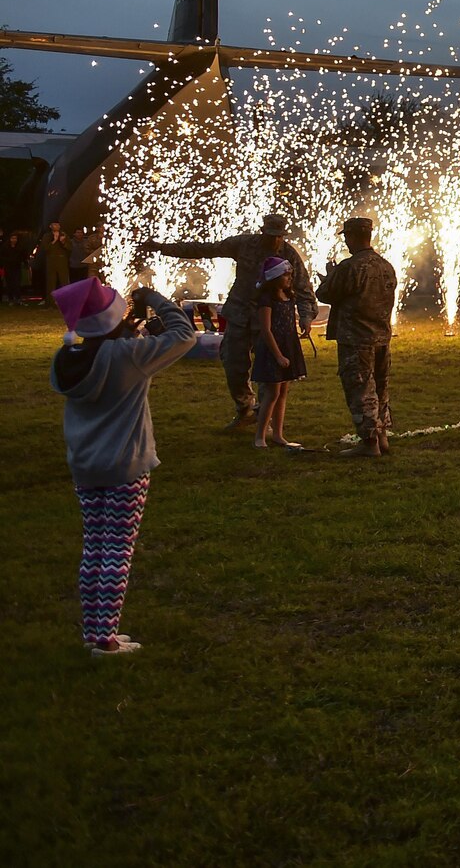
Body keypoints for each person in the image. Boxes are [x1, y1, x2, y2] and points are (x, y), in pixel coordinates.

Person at [50, 276, 197, 656]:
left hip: (85, 466)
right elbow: (184, 335)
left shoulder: (66, 359)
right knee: (117, 551)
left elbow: (104, 349)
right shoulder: (126, 357)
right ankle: (107, 641)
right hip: (125, 468)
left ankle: (94, 633)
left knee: (95, 548)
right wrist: (154, 298)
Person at [139, 214, 313, 432]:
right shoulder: (244, 244)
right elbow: (205, 249)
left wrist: (306, 316)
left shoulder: (288, 255)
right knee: (233, 363)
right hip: (240, 314)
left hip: (269, 319)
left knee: (269, 371)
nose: (275, 241)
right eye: (271, 236)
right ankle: (245, 409)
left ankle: (263, 416)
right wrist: (163, 248)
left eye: (279, 237)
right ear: (263, 232)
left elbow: (303, 287)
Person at [317, 217, 397, 459]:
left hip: (356, 337)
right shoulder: (385, 265)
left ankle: (369, 441)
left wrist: (330, 276)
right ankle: (382, 436)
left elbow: (325, 294)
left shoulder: (351, 267)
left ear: (351, 236)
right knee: (381, 388)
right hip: (381, 336)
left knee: (360, 388)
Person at [251, 256, 308, 451]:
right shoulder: (267, 299)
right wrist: (277, 355)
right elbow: (266, 330)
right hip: (272, 349)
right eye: (285, 275)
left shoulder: (289, 296)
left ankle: (278, 434)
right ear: (274, 277)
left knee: (283, 391)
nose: (289, 278)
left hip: (287, 346)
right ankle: (260, 435)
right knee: (272, 392)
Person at [42, 221, 71, 294]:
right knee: (51, 282)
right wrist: (54, 240)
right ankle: (51, 302)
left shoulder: (64, 235)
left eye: (58, 224)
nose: (56, 226)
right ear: (50, 226)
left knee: (64, 281)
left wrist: (63, 242)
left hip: (62, 260)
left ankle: (66, 300)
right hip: (51, 261)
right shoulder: (47, 236)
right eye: (54, 224)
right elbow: (45, 248)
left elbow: (70, 248)